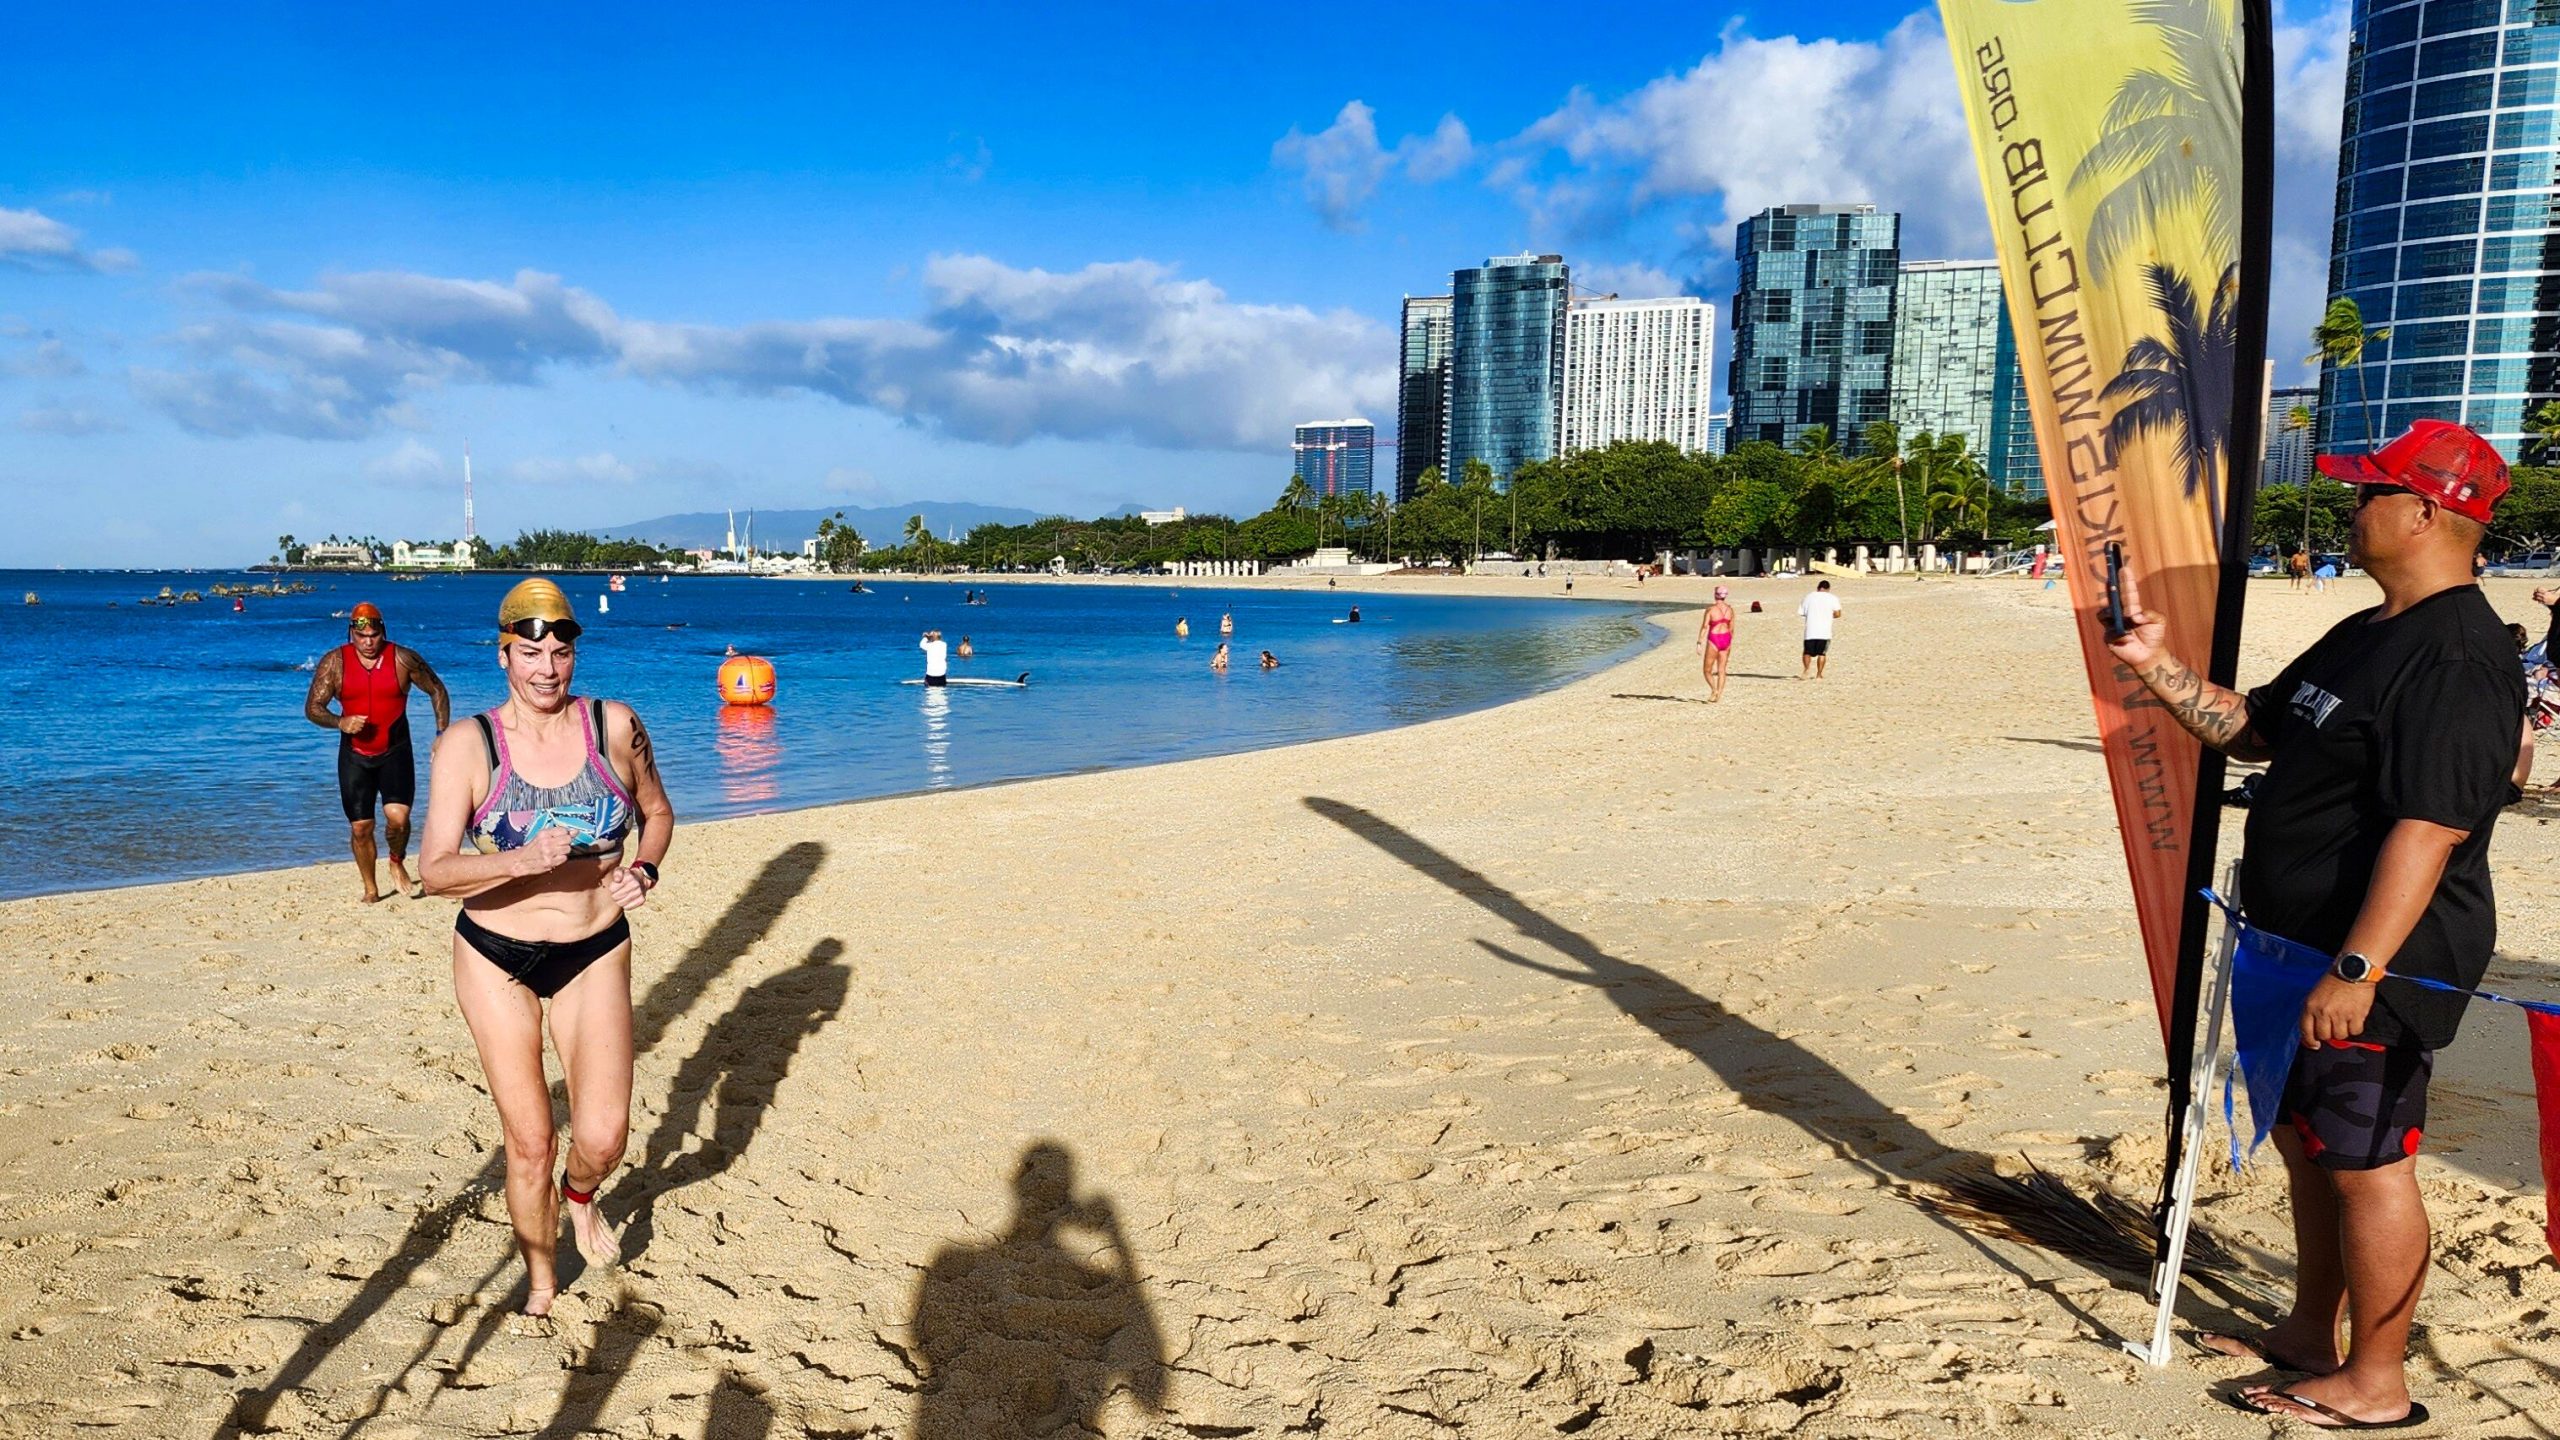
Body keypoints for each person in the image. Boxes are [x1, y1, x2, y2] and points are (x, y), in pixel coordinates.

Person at [2106, 420, 2520, 1428]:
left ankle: (2377, 1383)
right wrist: (2153, 662)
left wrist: (2357, 967)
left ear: (2426, 512)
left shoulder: (2459, 655)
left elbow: (2430, 829)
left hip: (2380, 959)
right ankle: (2306, 1334)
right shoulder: (2369, 630)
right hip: (2294, 944)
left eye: (2370, 491)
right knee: (2309, 1146)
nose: (2351, 505)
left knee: (2368, 1162)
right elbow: (2254, 728)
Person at [419, 579, 674, 1321]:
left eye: (560, 652)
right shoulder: (469, 745)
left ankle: (581, 1194)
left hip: (594, 947)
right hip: (495, 954)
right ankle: (540, 1282)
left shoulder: (614, 725)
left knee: (603, 1135)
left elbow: (657, 813)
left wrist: (644, 869)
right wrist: (520, 860)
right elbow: (435, 871)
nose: (547, 668)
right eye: (530, 653)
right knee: (529, 1141)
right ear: (504, 656)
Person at [303, 601, 451, 903]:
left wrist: (441, 735)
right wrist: (340, 722)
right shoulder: (335, 662)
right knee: (361, 827)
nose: (368, 642)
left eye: (374, 636)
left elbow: (437, 690)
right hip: (355, 754)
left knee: (398, 819)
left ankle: (396, 860)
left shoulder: (403, 659)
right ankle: (370, 887)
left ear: (383, 632)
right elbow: (313, 708)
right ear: (351, 634)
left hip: (395, 750)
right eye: (362, 637)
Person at [1797, 580, 1842, 678]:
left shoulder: (1808, 597)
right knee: (1822, 653)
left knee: (1807, 652)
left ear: (1818, 588)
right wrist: (1828, 615)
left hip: (1810, 629)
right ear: (1828, 589)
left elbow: (1802, 612)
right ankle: (1819, 674)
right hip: (1824, 631)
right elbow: (1838, 614)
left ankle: (1806, 670)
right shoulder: (1832, 598)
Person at [1699, 586, 1736, 702]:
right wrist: (1729, 641)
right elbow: (1732, 628)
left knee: (1707, 670)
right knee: (1722, 670)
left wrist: (1699, 642)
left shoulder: (1711, 610)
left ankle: (1714, 690)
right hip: (1726, 638)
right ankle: (1719, 694)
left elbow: (1705, 626)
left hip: (1714, 638)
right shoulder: (1730, 610)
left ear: (1715, 595)